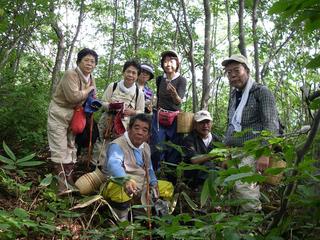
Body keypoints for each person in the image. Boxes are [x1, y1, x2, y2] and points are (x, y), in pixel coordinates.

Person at [222, 54, 279, 212]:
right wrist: (227, 152)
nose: (232, 75)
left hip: (254, 149)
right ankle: (239, 226)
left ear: (246, 70)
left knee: (245, 187)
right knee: (232, 187)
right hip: (235, 149)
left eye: (236, 70)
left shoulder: (261, 92)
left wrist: (265, 153)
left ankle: (252, 226)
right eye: (229, 72)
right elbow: (231, 123)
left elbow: (271, 124)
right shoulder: (234, 95)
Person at [102, 114, 174, 221]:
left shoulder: (145, 147)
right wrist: (125, 180)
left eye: (144, 130)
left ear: (148, 135)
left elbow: (149, 169)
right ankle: (121, 220)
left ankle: (154, 213)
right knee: (119, 190)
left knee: (167, 187)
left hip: (141, 183)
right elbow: (113, 165)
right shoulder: (117, 145)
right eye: (136, 128)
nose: (140, 132)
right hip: (120, 182)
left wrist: (153, 183)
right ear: (129, 129)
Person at [47, 48, 98, 195]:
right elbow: (73, 97)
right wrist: (89, 89)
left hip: (75, 115)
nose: (89, 63)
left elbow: (91, 97)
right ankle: (61, 186)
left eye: (92, 61)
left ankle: (69, 181)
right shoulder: (71, 74)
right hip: (59, 113)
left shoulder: (90, 78)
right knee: (59, 147)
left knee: (71, 147)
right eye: (86, 60)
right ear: (79, 61)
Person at [92, 60, 145, 167]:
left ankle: (113, 172)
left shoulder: (139, 93)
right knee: (101, 144)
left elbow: (141, 111)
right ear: (123, 72)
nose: (130, 75)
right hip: (107, 122)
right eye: (128, 71)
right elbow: (103, 102)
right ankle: (96, 170)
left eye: (134, 73)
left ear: (137, 76)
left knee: (118, 148)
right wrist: (111, 105)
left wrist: (132, 112)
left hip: (125, 125)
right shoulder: (113, 86)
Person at [150, 50, 187, 170]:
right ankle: (155, 174)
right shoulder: (160, 79)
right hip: (159, 116)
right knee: (156, 146)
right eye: (165, 61)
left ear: (177, 64)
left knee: (174, 149)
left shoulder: (181, 80)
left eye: (171, 61)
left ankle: (171, 177)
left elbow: (178, 101)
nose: (168, 64)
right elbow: (159, 97)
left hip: (175, 118)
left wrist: (174, 94)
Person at [182, 110, 220, 188]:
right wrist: (214, 155)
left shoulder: (216, 139)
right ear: (195, 124)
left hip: (215, 175)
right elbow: (194, 159)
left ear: (211, 123)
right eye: (202, 122)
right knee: (208, 166)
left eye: (207, 122)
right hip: (194, 177)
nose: (205, 125)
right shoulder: (189, 139)